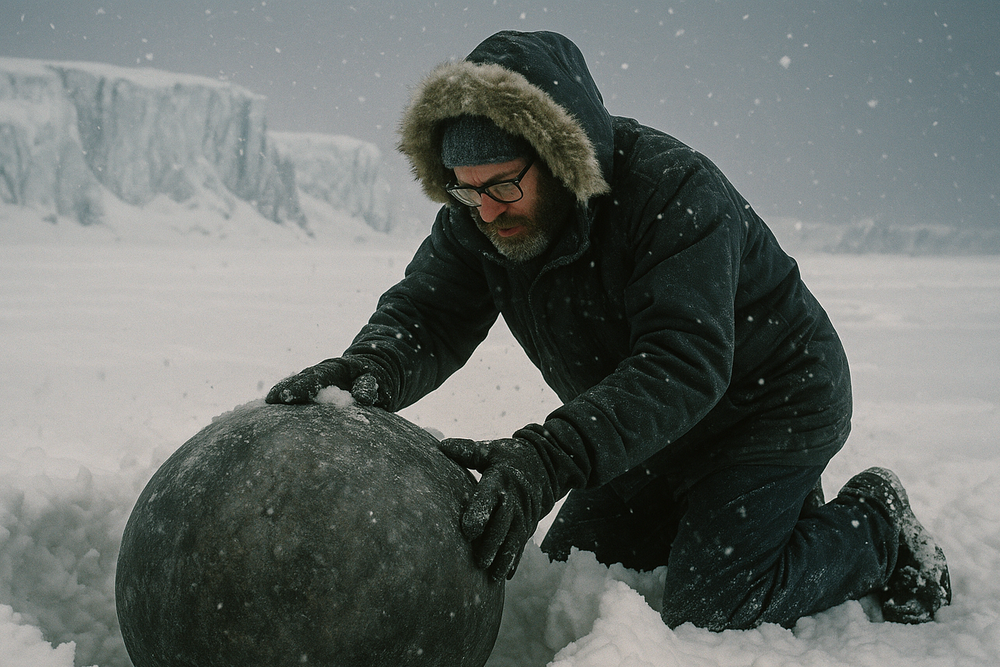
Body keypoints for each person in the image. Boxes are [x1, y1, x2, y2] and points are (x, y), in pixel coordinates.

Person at [266, 30, 952, 631]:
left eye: (503, 185)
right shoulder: (478, 217)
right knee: (568, 577)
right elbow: (430, 312)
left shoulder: (674, 193)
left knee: (714, 606)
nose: (486, 211)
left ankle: (875, 528)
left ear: (559, 155)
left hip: (770, 407)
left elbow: (684, 362)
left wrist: (550, 456)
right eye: (464, 189)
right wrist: (371, 370)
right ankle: (752, 517)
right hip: (650, 427)